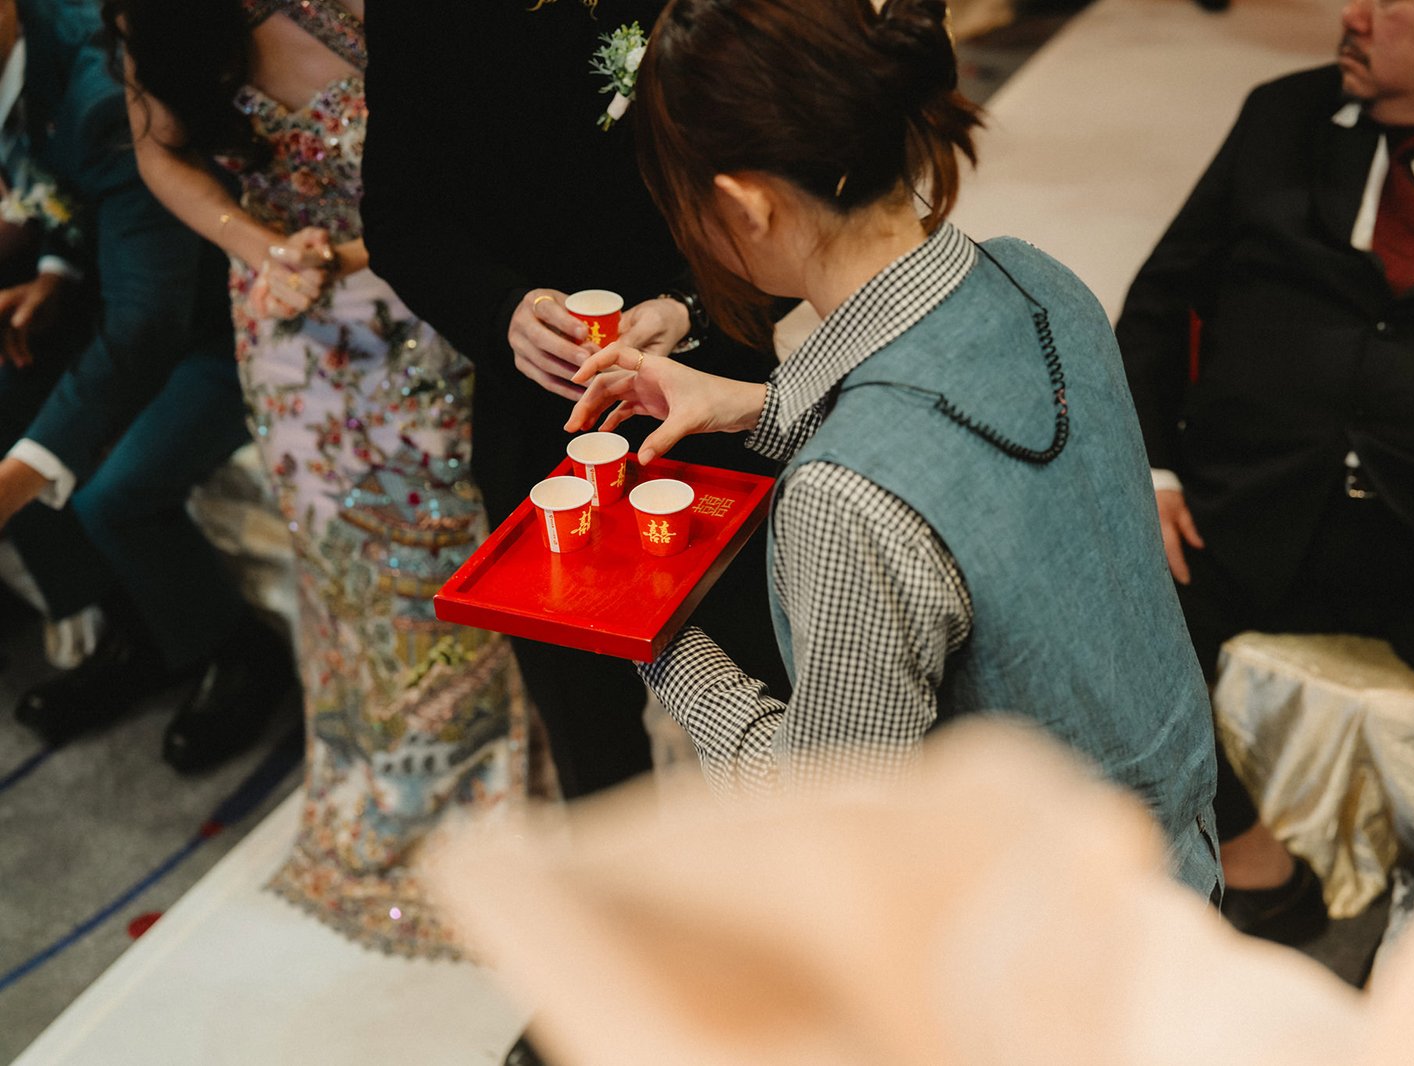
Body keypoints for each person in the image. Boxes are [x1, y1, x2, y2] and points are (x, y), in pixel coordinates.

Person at [568, 0, 1219, 892]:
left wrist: (654, 630)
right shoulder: (1037, 276)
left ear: (747, 206)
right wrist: (754, 405)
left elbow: (829, 815)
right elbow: (970, 459)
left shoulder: (843, 503)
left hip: (1038, 928)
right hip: (1172, 849)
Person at [1114, 0, 1414, 942]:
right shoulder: (1281, 115)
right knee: (1079, 627)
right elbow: (1159, 307)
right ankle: (1254, 858)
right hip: (1254, 509)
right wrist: (1155, 471)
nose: (1352, 14)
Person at [106, 0, 549, 957]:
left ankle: (505, 786)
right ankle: (395, 789)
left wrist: (348, 253)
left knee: (457, 552)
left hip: (425, 300)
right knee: (351, 576)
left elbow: (475, 144)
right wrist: (259, 246)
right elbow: (160, 152)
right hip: (294, 338)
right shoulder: (163, 16)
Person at [359, 0, 791, 811]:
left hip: (718, 373)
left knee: (780, 678)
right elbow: (399, 216)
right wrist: (503, 313)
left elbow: (785, 166)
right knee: (590, 736)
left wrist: (691, 306)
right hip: (544, 407)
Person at [0, 0, 290, 771]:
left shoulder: (97, 87)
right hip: (123, 289)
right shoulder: (24, 56)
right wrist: (56, 272)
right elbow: (69, 195)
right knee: (5, 396)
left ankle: (238, 652)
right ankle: (136, 632)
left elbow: (148, 322)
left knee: (114, 492)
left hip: (215, 321)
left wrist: (12, 485)